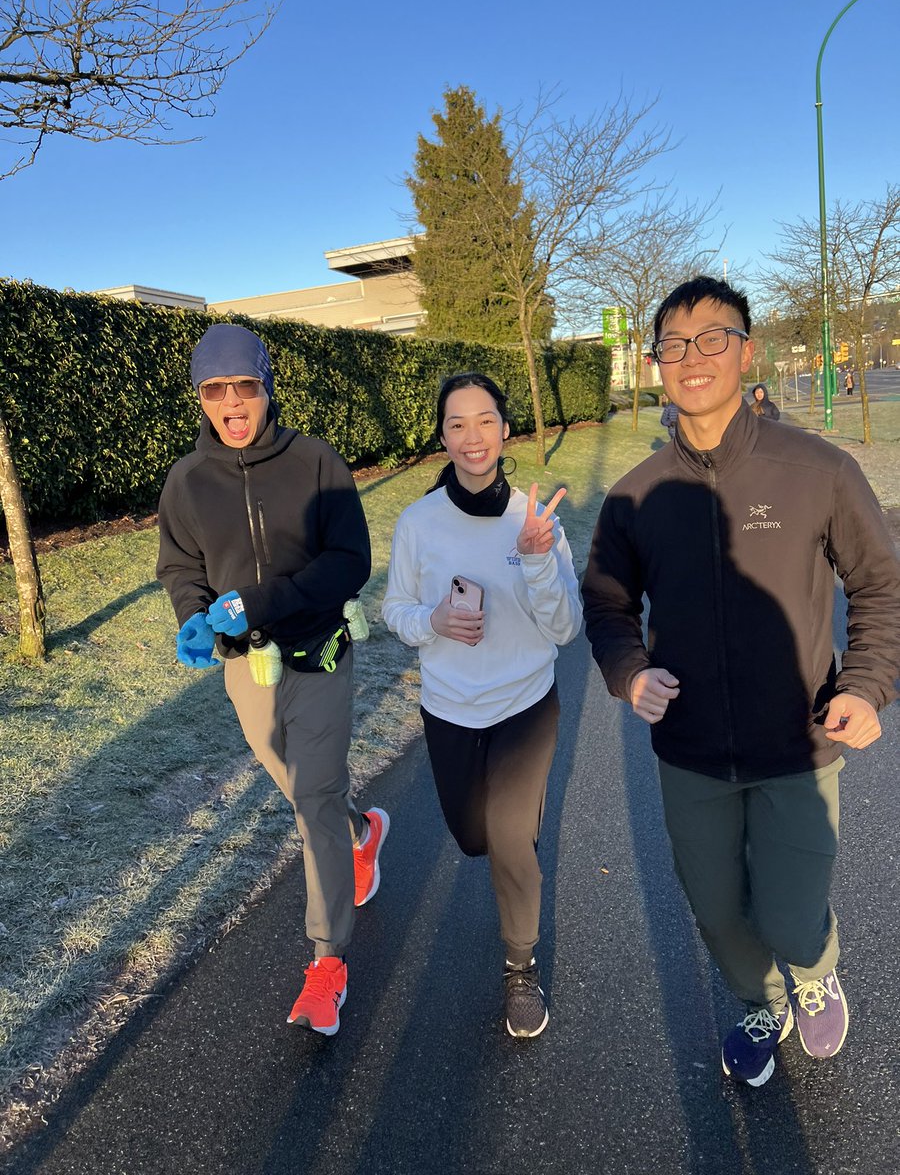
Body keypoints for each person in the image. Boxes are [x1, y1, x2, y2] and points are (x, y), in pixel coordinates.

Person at [582, 276, 900, 1087]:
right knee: (718, 911)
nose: (693, 358)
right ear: (656, 364)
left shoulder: (818, 469)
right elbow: (607, 602)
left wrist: (864, 685)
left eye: (712, 338)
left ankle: (813, 967)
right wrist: (628, 673)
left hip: (798, 745)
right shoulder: (634, 495)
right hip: (689, 756)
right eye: (675, 345)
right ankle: (763, 1001)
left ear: (746, 350)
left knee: (793, 911)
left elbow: (880, 584)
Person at [157, 323, 389, 1038]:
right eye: (214, 389)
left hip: (318, 653)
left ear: (266, 388)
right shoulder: (187, 480)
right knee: (297, 783)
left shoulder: (316, 461)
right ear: (201, 396)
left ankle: (327, 965)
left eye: (244, 386)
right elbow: (180, 566)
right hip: (244, 668)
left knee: (311, 797)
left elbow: (349, 561)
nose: (231, 401)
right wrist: (195, 616)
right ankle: (362, 830)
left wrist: (261, 603)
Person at [382, 372, 581, 1038]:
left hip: (525, 703)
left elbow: (565, 629)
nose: (473, 436)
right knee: (475, 837)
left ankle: (519, 969)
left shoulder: (534, 518)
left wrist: (536, 561)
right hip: (449, 710)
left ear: (505, 428)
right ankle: (504, 836)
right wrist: (433, 620)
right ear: (443, 436)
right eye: (458, 424)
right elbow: (396, 611)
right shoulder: (418, 523)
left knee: (509, 838)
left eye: (486, 420)